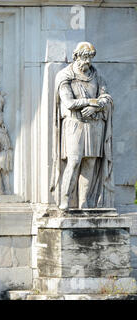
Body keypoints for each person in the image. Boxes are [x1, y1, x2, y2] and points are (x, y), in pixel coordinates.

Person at [50, 42, 114, 210]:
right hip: (74, 124)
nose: (87, 62)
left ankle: (84, 202)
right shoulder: (65, 76)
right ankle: (65, 199)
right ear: (76, 56)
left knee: (90, 162)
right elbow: (69, 102)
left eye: (90, 58)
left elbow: (106, 97)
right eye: (84, 57)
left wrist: (96, 106)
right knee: (74, 161)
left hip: (94, 125)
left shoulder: (96, 75)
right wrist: (91, 101)